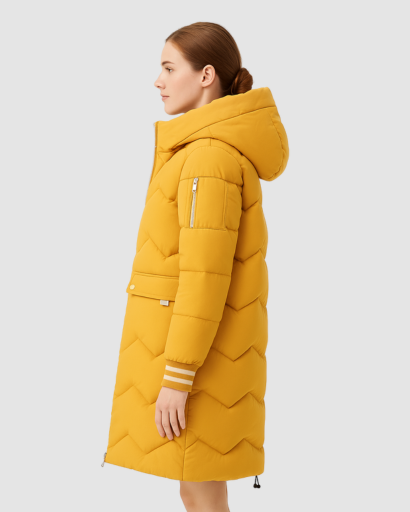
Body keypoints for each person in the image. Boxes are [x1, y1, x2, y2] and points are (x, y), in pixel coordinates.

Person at [102, 21, 289, 512]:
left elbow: (204, 281)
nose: (158, 81)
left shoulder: (208, 159)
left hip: (198, 364)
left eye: (169, 68)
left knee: (202, 492)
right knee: (197, 489)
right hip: (204, 355)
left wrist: (178, 377)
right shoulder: (204, 152)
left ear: (206, 76)